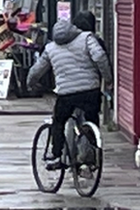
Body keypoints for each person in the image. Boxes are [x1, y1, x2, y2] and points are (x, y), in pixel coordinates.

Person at [27, 18, 112, 170]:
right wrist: (108, 79)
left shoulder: (50, 47)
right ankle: (91, 156)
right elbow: (99, 56)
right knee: (91, 119)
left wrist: (30, 83)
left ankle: (57, 154)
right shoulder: (87, 38)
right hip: (90, 90)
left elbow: (37, 70)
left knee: (58, 121)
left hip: (66, 94)